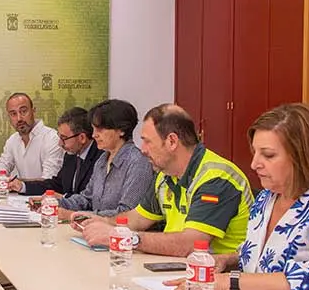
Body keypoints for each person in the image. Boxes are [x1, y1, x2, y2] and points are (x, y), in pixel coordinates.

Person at [164, 104, 309, 290]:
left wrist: (227, 282)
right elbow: (267, 256)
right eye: (254, 152)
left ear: (304, 156)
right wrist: (228, 260)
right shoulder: (267, 197)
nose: (255, 164)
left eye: (268, 155)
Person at [76, 104, 253, 256]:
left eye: (147, 142)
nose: (143, 150)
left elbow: (192, 244)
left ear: (172, 141)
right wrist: (100, 222)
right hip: (175, 270)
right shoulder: (165, 175)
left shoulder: (216, 178)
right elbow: (136, 218)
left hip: (214, 280)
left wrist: (125, 237)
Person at [59, 100, 154, 219]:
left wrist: (77, 215)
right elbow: (87, 199)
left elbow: (127, 213)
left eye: (100, 130)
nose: (94, 135)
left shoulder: (138, 163)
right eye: (93, 129)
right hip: (98, 231)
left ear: (121, 130)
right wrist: (55, 203)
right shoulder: (102, 160)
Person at [9, 107, 101, 197]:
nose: (60, 144)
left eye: (64, 138)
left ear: (82, 138)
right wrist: (23, 186)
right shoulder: (70, 156)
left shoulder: (101, 159)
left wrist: (62, 198)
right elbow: (56, 185)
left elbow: (91, 199)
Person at [0, 92, 63, 184]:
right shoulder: (12, 140)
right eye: (13, 114)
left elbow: (49, 180)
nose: (19, 118)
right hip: (20, 196)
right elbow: (3, 165)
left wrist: (16, 183)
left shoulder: (52, 138)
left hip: (47, 196)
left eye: (23, 111)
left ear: (33, 111)